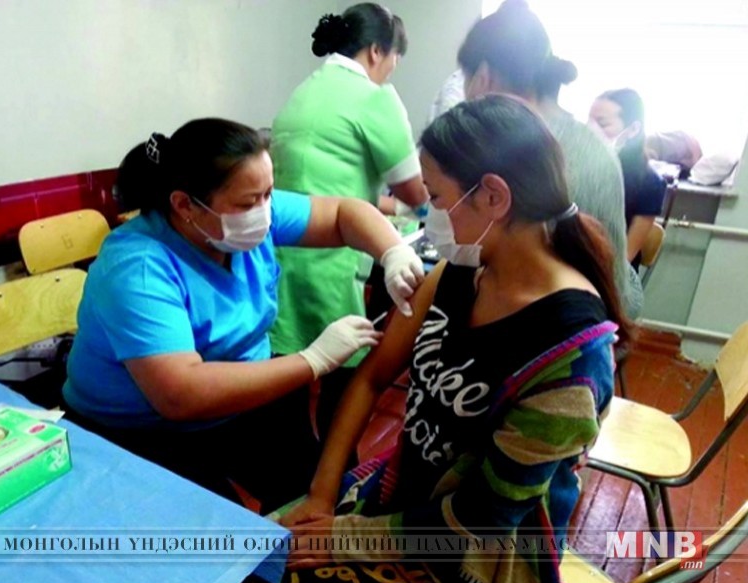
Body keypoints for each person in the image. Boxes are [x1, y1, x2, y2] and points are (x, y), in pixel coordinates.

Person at [270, 96, 627, 583]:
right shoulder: (461, 270)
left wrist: (345, 537)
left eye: (437, 199)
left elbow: (484, 517)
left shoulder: (569, 356)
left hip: (475, 555)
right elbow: (373, 376)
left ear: (493, 196)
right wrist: (321, 496)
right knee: (257, 555)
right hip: (403, 499)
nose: (431, 216)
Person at [62, 118, 424, 511]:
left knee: (318, 489)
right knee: (215, 529)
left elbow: (343, 214)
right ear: (184, 205)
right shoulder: (139, 268)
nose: (265, 212)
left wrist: (393, 253)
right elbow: (179, 394)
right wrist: (313, 360)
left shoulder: (242, 218)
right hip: (141, 428)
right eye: (249, 203)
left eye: (268, 194)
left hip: (244, 393)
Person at [269, 3, 429, 427]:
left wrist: (393, 207)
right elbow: (415, 191)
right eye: (394, 60)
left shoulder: (303, 93)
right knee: (343, 384)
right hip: (330, 258)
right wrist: (427, 209)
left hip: (281, 253)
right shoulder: (375, 98)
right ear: (377, 51)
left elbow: (329, 185)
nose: (391, 71)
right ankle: (335, 463)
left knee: (288, 373)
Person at [457, 0, 643, 319]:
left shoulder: (519, 149)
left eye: (465, 78)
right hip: (613, 304)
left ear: (483, 78)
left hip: (569, 320)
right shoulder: (589, 140)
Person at [589, 89, 668, 269]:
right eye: (589, 121)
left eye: (602, 123)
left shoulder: (650, 183)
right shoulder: (578, 166)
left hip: (609, 272)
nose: (591, 130)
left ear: (633, 129)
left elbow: (625, 257)